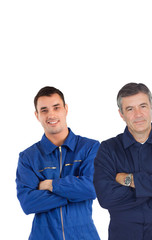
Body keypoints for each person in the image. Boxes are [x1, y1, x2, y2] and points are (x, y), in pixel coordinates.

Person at [93, 83, 152, 240]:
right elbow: (106, 198)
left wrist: (128, 180)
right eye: (130, 109)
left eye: (143, 106)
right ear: (121, 114)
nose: (138, 114)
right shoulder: (108, 149)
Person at [16, 86, 100, 240]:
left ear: (66, 109)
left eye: (56, 107)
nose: (51, 115)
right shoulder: (28, 157)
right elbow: (28, 203)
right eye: (44, 110)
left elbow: (93, 188)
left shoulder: (90, 148)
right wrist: (76, 193)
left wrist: (50, 185)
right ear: (37, 115)